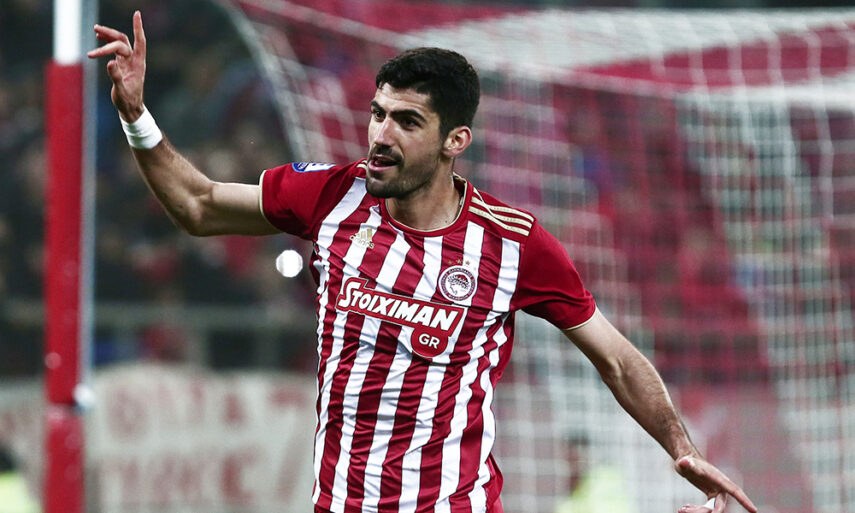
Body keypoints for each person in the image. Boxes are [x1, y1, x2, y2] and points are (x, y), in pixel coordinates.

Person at [88, 11, 757, 513]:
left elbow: (616, 358)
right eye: (378, 113)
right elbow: (199, 204)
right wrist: (136, 115)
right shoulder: (331, 194)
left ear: (454, 140)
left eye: (407, 121)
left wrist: (681, 448)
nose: (380, 134)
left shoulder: (512, 243)